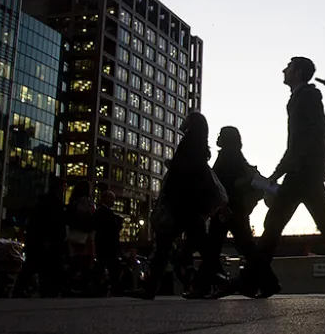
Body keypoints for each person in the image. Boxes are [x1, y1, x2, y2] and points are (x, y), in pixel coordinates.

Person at [237, 57, 325, 299]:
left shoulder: (305, 97)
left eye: (287, 67)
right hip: (306, 173)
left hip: (301, 174)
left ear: (296, 72)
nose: (283, 70)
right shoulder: (302, 98)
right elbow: (307, 139)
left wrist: (280, 172)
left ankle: (251, 282)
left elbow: (303, 140)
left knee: (274, 226)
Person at [129, 111, 218, 300]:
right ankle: (207, 284)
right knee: (201, 247)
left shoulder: (188, 143)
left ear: (191, 124)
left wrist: (173, 165)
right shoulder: (201, 148)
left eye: (187, 120)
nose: (183, 122)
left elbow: (183, 172)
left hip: (180, 203)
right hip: (192, 205)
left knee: (163, 247)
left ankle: (151, 288)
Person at [188, 126, 260, 299]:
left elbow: (222, 183)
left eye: (221, 134)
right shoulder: (236, 156)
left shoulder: (227, 156)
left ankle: (202, 287)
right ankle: (262, 282)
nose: (217, 137)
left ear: (227, 139)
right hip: (233, 209)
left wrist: (220, 206)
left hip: (226, 209)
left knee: (214, 248)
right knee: (242, 247)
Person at [95, 190, 124, 294]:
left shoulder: (103, 212)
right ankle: (113, 289)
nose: (113, 201)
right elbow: (110, 229)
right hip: (107, 245)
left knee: (104, 266)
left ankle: (102, 288)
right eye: (112, 198)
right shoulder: (103, 213)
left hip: (104, 245)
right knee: (111, 268)